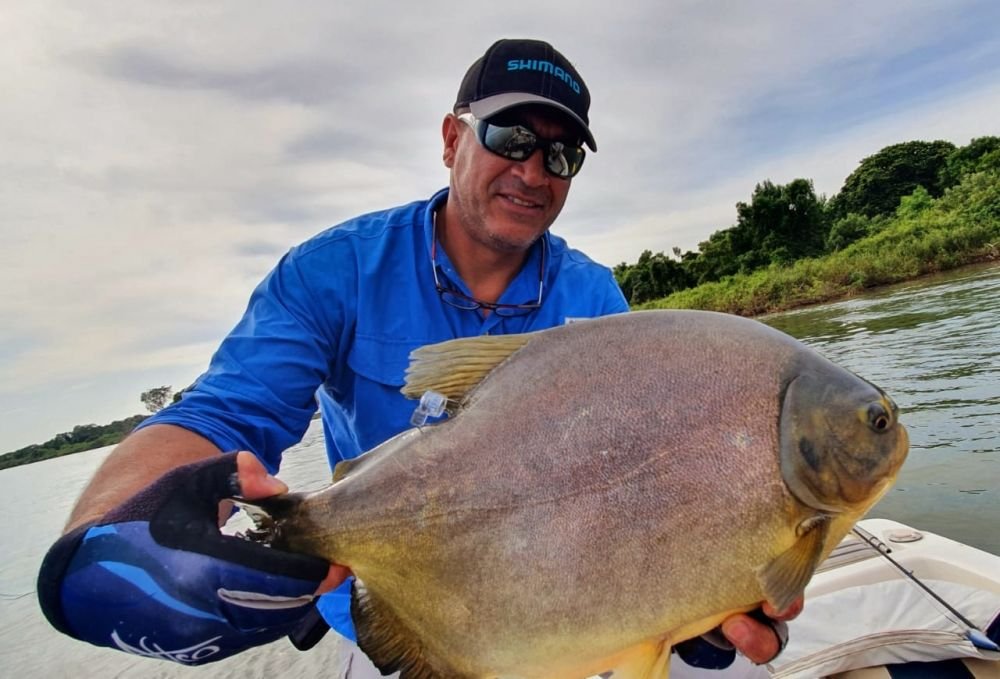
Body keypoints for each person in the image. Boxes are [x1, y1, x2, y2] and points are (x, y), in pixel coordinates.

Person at [36, 38, 799, 677]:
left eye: (562, 156)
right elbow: (225, 412)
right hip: (391, 608)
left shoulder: (595, 299)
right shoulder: (334, 271)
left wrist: (698, 583)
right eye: (510, 139)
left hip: (564, 604)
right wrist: (106, 531)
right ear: (449, 139)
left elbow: (643, 473)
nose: (533, 172)